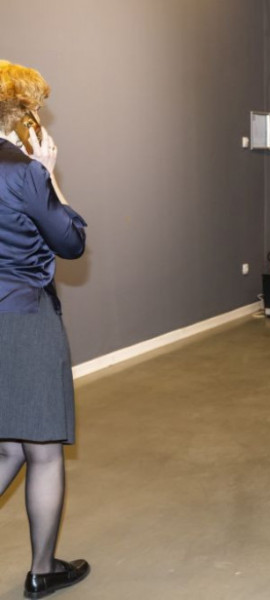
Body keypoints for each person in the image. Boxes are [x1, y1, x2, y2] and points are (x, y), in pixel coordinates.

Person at [0, 60, 90, 597]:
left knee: (8, 447)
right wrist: (50, 173)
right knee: (42, 450)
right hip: (26, 321)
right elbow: (72, 242)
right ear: (21, 112)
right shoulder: (24, 171)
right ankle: (42, 570)